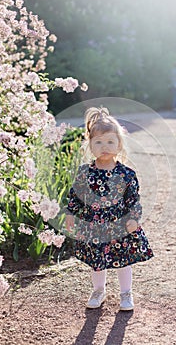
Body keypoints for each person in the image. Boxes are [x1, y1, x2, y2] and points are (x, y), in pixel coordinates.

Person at [65, 107, 154, 311]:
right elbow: (76, 195)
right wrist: (71, 212)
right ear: (90, 145)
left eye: (110, 142)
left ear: (119, 144)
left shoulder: (126, 174)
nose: (104, 146)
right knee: (97, 260)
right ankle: (98, 290)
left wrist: (134, 218)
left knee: (123, 260)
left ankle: (126, 293)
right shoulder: (85, 172)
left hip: (119, 225)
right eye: (98, 142)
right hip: (94, 225)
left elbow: (133, 199)